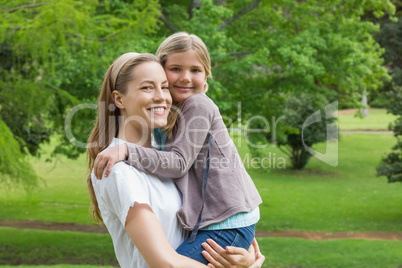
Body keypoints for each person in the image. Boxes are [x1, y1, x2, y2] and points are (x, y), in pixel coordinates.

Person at [93, 32, 263, 264]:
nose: (185, 78)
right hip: (218, 223)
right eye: (175, 70)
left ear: (206, 79)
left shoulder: (197, 105)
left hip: (227, 222)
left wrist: (127, 151)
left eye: (195, 70)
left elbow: (178, 162)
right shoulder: (123, 168)